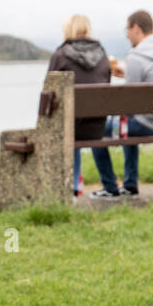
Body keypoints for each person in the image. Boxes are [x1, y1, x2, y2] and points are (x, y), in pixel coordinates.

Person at [105, 10, 153, 197]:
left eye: (127, 30)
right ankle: (129, 183)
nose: (126, 35)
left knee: (101, 129)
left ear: (136, 28)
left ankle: (110, 187)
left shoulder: (136, 56)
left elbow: (129, 100)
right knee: (129, 121)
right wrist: (128, 74)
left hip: (150, 124)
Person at [47, 16, 120, 197]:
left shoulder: (60, 55)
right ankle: (105, 184)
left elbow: (48, 93)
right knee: (76, 120)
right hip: (97, 127)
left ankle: (73, 187)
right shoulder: (103, 55)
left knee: (68, 123)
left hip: (70, 127)